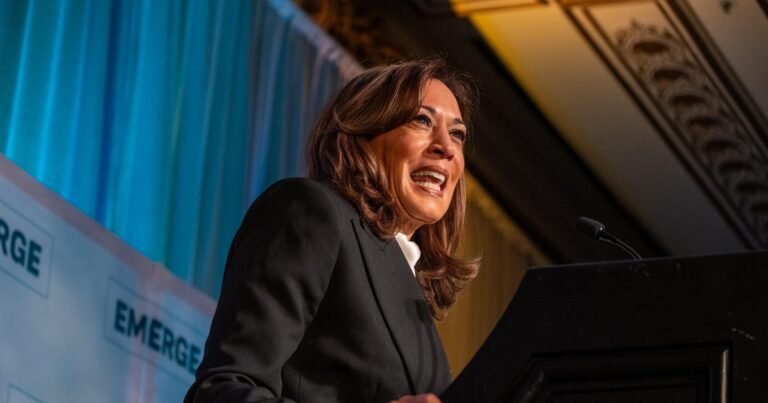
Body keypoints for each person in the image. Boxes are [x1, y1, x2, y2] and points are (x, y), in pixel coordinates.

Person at [184, 59, 480, 403]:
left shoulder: (412, 290)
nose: (447, 148)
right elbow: (220, 392)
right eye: (422, 120)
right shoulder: (312, 211)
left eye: (457, 134)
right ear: (362, 134)